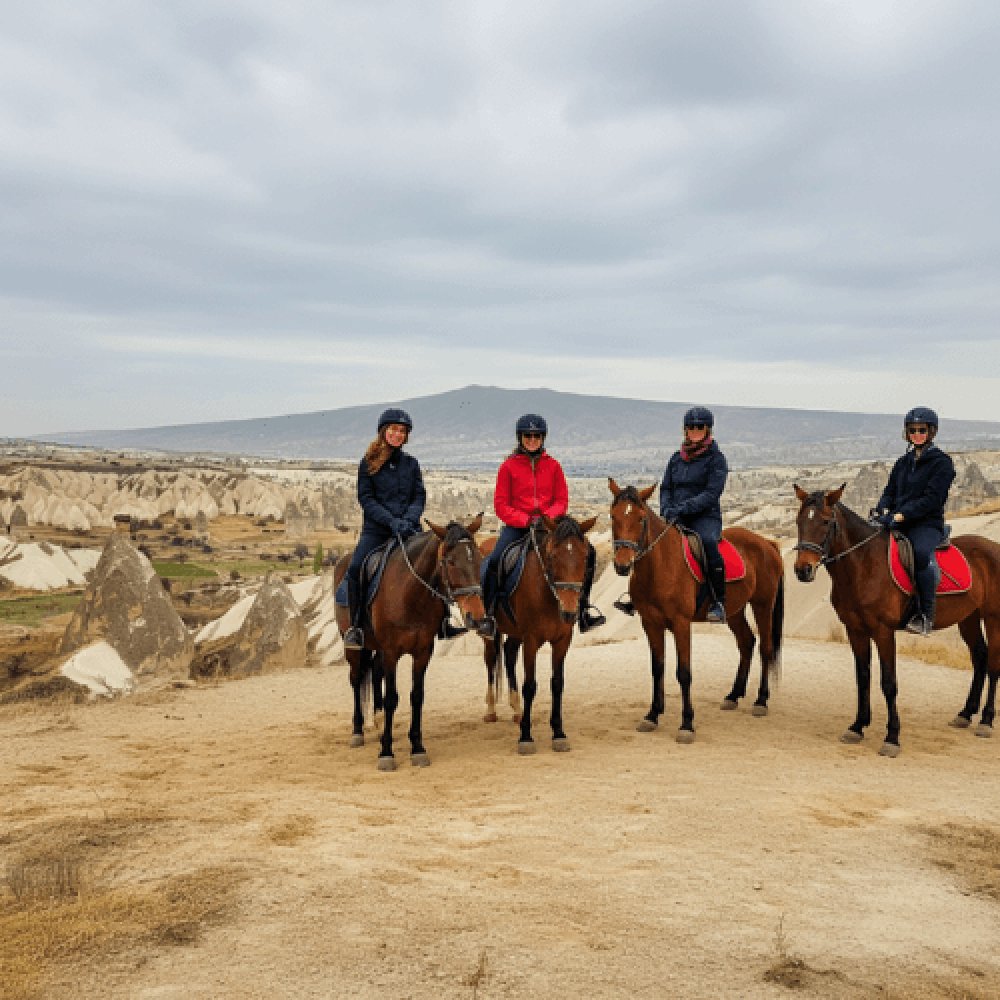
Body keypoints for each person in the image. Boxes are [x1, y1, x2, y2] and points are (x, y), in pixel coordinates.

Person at [481, 413, 605, 633]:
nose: (532, 439)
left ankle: (584, 610)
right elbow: (501, 505)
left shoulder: (554, 466)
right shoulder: (508, 467)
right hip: (518, 527)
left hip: (549, 527)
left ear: (543, 438)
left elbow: (561, 500)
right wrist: (526, 520)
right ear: (520, 438)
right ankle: (489, 615)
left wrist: (548, 519)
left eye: (536, 436)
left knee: (590, 552)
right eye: (527, 435)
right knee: (495, 560)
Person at [342, 408, 426, 651]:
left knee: (434, 563)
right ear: (383, 431)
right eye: (393, 429)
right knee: (356, 568)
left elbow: (419, 496)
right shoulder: (368, 463)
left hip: (409, 528)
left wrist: (409, 520)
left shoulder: (411, 464)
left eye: (402, 431)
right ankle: (356, 627)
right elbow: (366, 499)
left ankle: (443, 621)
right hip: (377, 530)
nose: (397, 434)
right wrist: (391, 522)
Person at [871, 406, 955, 636]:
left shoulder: (942, 463)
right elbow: (889, 491)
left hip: (926, 524)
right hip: (897, 521)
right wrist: (883, 508)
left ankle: (925, 615)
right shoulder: (902, 462)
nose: (917, 434)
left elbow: (932, 499)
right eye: (912, 430)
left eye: (922, 430)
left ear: (932, 432)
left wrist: (902, 514)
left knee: (919, 554)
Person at [661, 406, 729, 623]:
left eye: (699, 427)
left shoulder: (716, 459)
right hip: (676, 515)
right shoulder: (675, 459)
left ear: (708, 430)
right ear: (685, 430)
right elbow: (666, 488)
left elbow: (711, 494)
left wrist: (683, 508)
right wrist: (666, 508)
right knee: (650, 541)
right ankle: (639, 597)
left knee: (708, 542)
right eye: (691, 427)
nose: (695, 431)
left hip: (705, 516)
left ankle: (718, 600)